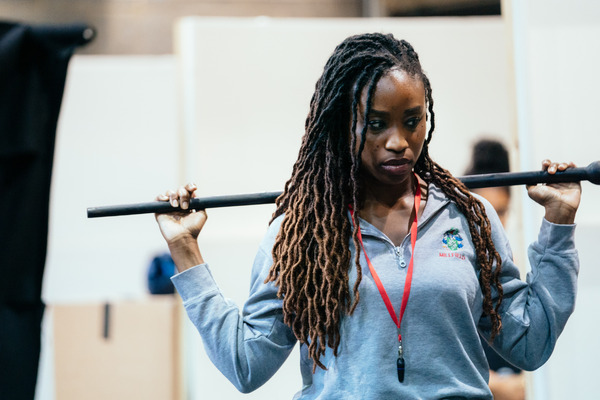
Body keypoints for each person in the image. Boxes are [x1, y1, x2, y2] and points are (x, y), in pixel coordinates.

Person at [154, 33, 581, 399]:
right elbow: (246, 363)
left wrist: (558, 226)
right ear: (344, 126)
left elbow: (532, 342)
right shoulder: (303, 233)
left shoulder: (468, 217)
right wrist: (185, 251)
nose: (398, 141)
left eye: (412, 121)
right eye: (376, 124)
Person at [464, 139, 525, 400]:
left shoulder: (513, 272)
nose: (492, 224)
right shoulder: (451, 280)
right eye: (483, 212)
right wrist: (497, 385)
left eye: (500, 211)